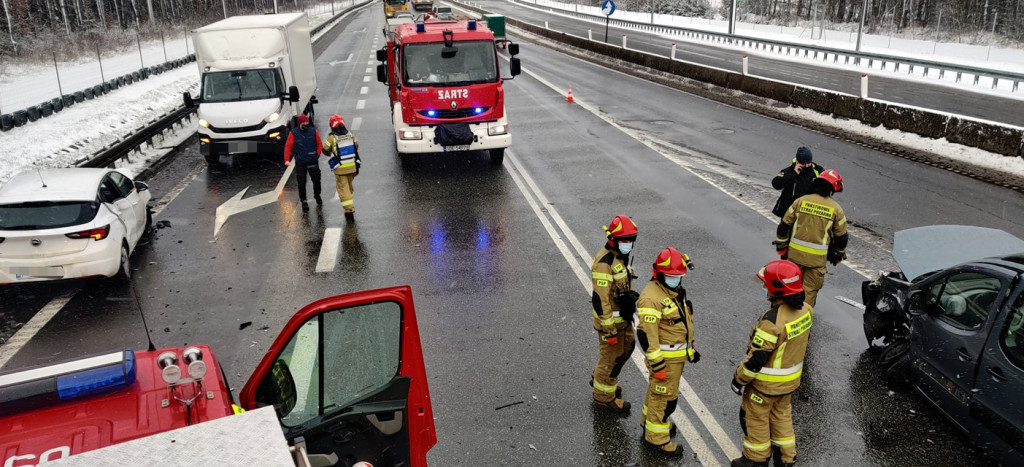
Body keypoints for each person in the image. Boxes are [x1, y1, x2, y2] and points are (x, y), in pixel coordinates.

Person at [730, 260, 814, 467]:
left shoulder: (772, 321)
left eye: (766, 284)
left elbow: (757, 359)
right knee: (781, 418)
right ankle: (787, 459)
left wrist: (739, 379)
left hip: (765, 385)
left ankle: (755, 460)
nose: (764, 287)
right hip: (789, 383)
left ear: (777, 289)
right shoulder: (807, 309)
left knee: (755, 419)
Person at [637, 247, 699, 457]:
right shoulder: (651, 298)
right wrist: (658, 365)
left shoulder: (673, 290)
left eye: (679, 276)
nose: (676, 280)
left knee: (657, 393)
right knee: (665, 398)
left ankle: (650, 422)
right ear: (659, 274)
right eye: (672, 276)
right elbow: (648, 336)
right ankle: (657, 439)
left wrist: (690, 348)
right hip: (665, 360)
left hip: (676, 357)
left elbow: (681, 321)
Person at [773, 169, 847, 307]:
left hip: (794, 257)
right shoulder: (836, 209)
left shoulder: (800, 201)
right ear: (832, 189)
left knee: (789, 288)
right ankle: (802, 322)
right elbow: (842, 237)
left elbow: (784, 226)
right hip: (816, 262)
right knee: (809, 292)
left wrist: (781, 247)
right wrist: (839, 254)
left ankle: (783, 318)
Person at [589, 215, 639, 415]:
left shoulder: (620, 257)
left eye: (631, 240)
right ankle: (603, 398)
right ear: (613, 240)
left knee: (626, 349)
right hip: (611, 325)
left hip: (623, 320)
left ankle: (603, 380)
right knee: (611, 359)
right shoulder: (605, 262)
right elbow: (600, 301)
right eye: (624, 240)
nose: (628, 244)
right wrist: (609, 330)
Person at [323, 114, 360, 220]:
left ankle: (349, 210)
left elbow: (325, 150)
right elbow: (356, 145)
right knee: (348, 187)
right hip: (352, 167)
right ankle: (350, 205)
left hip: (340, 169)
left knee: (343, 189)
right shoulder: (350, 134)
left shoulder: (332, 137)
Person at [283, 114, 323, 210]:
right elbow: (288, 146)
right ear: (300, 123)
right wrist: (287, 160)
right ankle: (303, 201)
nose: (306, 124)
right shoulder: (293, 133)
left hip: (312, 161)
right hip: (301, 162)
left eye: (307, 122)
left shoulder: (313, 132)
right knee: (301, 183)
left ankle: (317, 195)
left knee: (316, 181)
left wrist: (317, 155)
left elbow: (319, 144)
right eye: (303, 122)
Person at [771, 147, 824, 218]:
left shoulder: (818, 171)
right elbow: (776, 184)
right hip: (789, 212)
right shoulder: (788, 171)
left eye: (809, 162)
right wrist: (794, 173)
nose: (807, 165)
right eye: (804, 163)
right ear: (798, 162)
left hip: (808, 213)